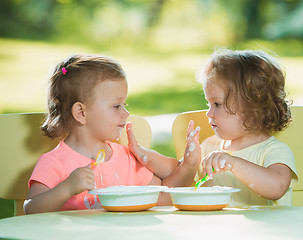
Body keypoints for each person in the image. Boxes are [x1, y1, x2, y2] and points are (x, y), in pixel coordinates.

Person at [24, 54, 199, 214]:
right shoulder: (55, 162)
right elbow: (30, 209)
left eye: (125, 105)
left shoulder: (126, 158)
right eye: (116, 106)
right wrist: (66, 188)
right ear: (81, 113)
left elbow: (164, 198)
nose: (125, 113)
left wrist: (189, 167)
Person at [138, 49, 298, 206]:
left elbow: (277, 187)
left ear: (253, 108)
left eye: (217, 104)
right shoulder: (209, 147)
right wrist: (149, 157)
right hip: (217, 231)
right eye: (209, 104)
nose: (209, 113)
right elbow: (175, 172)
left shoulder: (273, 151)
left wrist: (233, 163)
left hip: (266, 232)